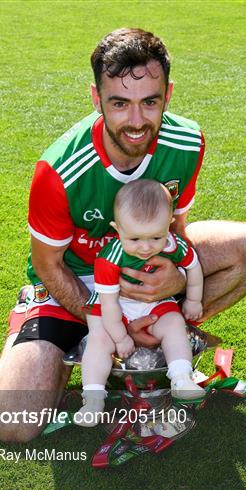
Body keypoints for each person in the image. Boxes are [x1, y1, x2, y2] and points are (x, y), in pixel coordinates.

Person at [0, 28, 246, 442]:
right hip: (73, 286)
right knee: (14, 425)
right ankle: (78, 345)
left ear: (168, 95)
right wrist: (102, 316)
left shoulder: (187, 142)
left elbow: (176, 230)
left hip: (145, 271)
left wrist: (176, 281)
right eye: (120, 104)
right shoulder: (58, 171)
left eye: (150, 102)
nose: (137, 121)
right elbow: (45, 263)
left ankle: (155, 345)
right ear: (96, 99)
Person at [74, 180, 205, 427]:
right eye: (134, 239)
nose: (146, 248)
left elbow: (193, 265)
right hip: (113, 306)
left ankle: (181, 377)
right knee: (99, 340)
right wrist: (120, 337)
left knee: (174, 322)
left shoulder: (173, 244)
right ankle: (92, 399)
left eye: (155, 237)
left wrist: (194, 298)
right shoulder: (110, 258)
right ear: (117, 229)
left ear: (168, 225)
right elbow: (109, 304)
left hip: (153, 302)